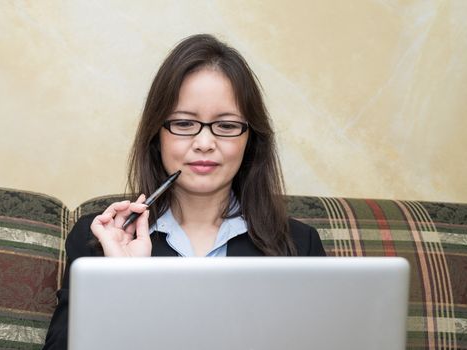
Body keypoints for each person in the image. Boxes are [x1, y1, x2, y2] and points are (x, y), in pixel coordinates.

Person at [42, 33, 325, 350]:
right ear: (156, 134)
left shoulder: (300, 245)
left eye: (227, 126)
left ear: (251, 140)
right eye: (184, 123)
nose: (204, 143)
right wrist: (121, 283)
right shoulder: (100, 240)